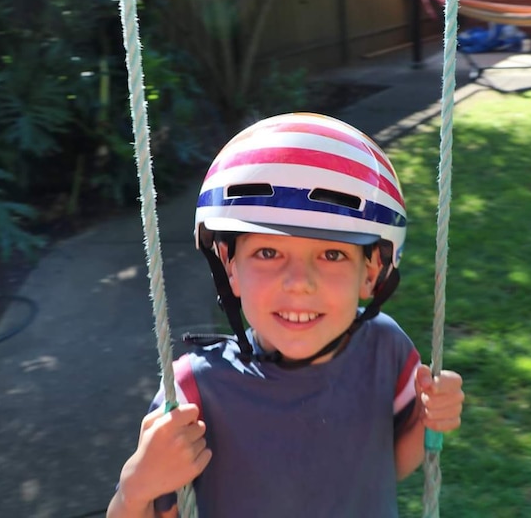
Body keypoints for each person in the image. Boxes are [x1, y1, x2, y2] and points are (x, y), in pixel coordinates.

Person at [107, 113, 465, 518]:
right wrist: (136, 489)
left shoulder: (387, 347)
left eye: (332, 254)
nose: (299, 283)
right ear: (230, 267)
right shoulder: (194, 391)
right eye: (268, 252)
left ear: (371, 273)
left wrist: (429, 419)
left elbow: (385, 469)